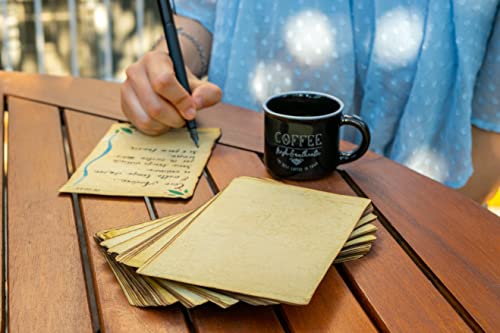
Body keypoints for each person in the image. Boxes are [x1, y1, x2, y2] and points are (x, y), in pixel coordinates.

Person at [121, 0, 500, 204]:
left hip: (421, 230)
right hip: (234, 201)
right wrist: (171, 65)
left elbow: (492, 126)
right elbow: (199, 19)